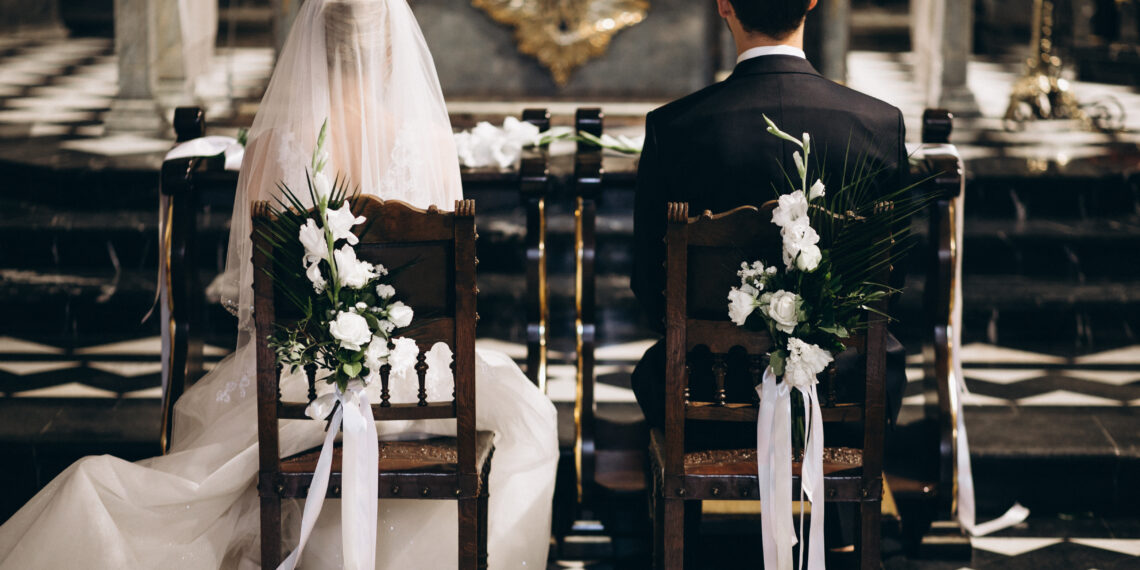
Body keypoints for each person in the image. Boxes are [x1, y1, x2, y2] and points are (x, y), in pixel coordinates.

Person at [0, 1, 558, 568]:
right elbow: (450, 284)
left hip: (301, 388)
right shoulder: (431, 143)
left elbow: (251, 290)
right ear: (394, 48)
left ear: (312, 46)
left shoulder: (274, 146)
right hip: (417, 386)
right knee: (531, 421)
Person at [629, 0, 909, 555]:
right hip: (845, 395)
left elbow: (647, 283)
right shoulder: (878, 123)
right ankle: (849, 540)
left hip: (707, 397)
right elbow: (895, 282)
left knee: (654, 370)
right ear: (811, 3)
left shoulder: (674, 128)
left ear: (724, 6)